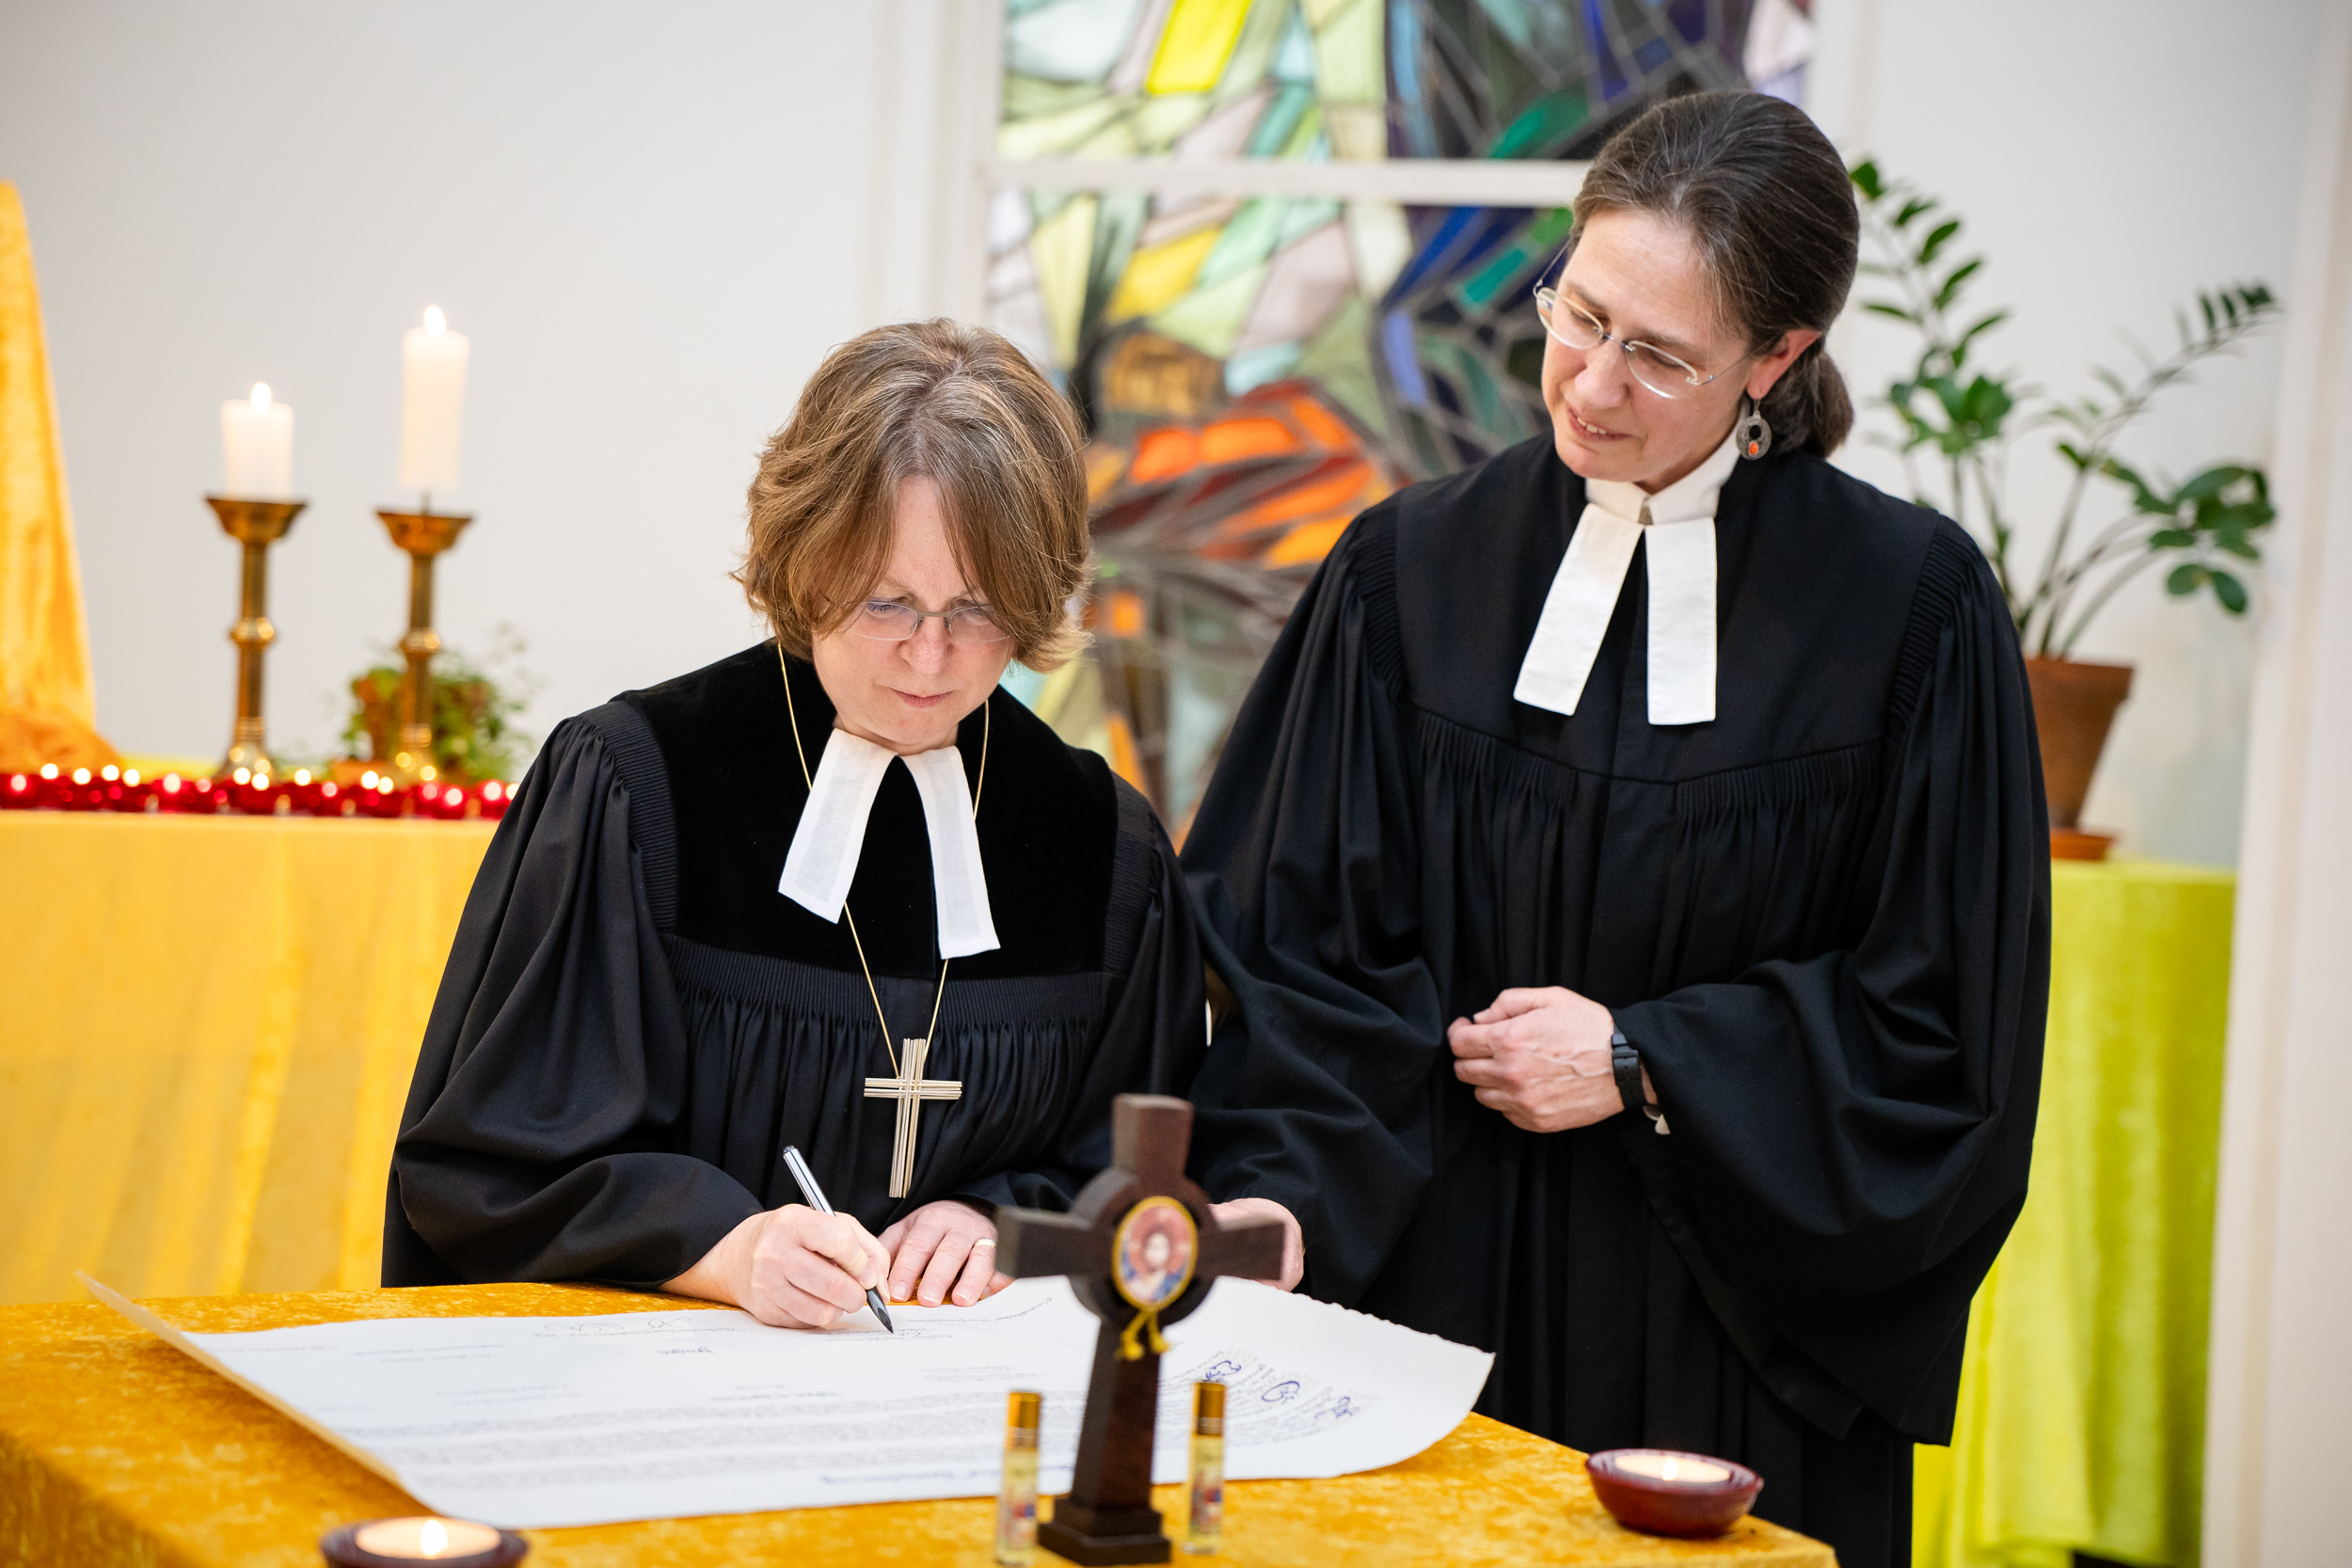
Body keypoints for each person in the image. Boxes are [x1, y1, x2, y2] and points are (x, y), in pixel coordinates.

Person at [1180, 91, 2048, 1568]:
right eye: (1578, 315)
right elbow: (1286, 950)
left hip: (1735, 1339)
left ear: (1778, 358)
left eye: (1659, 355)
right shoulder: (1405, 574)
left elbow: (1948, 1028)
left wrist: (1652, 1061)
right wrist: (1285, 1198)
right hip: (1424, 1312)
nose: (1590, 384)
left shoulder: (1912, 611)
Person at [387, 319, 1248, 1329]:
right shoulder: (639, 785)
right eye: (887, 602)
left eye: (977, 610)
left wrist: (1003, 1216)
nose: (929, 658)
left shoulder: (1101, 844)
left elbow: (1139, 1174)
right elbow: (491, 1167)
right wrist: (723, 1247)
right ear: (802, 563)